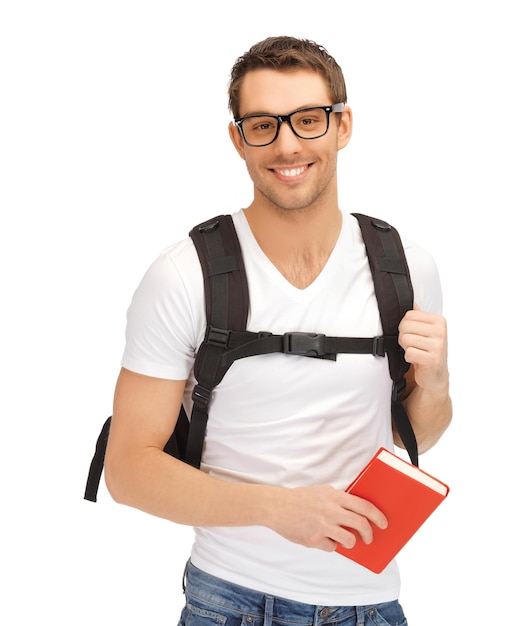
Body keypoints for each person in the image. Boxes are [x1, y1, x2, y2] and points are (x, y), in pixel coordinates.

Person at [104, 35, 452, 626]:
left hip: (372, 604)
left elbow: (412, 434)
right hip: (234, 603)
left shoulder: (404, 265)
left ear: (343, 127)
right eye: (263, 124)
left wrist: (437, 383)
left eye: (309, 120)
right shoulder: (184, 275)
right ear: (238, 139)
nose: (288, 144)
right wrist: (279, 510)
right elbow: (128, 470)